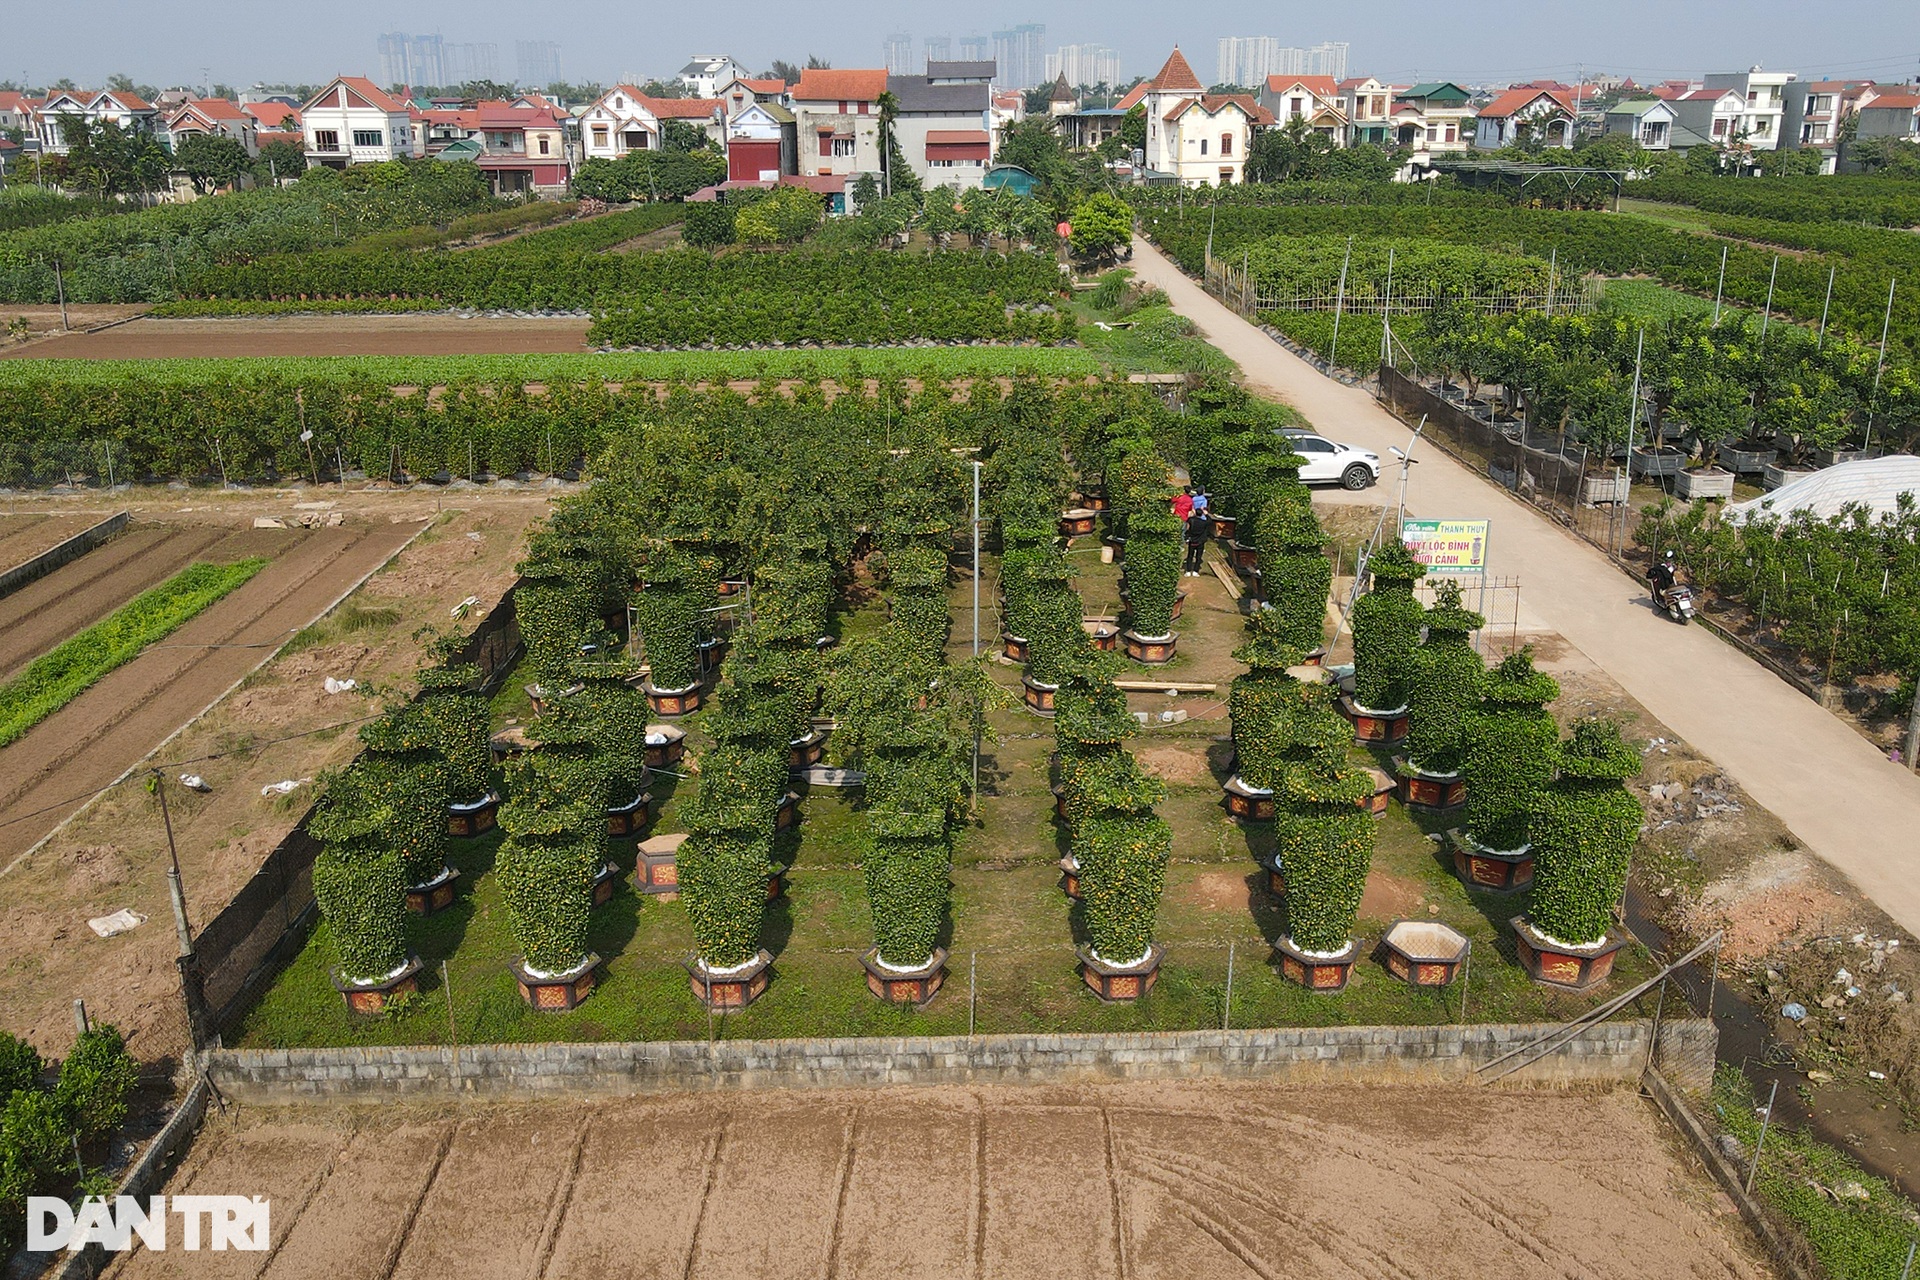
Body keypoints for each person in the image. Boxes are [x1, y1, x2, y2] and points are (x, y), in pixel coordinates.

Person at [1184, 508, 1212, 575]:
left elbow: (1187, 528)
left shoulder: (1191, 520)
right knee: (1198, 557)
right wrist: (1207, 514)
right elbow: (1210, 521)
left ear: (1195, 513)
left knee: (1190, 556)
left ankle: (1188, 571)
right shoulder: (1204, 523)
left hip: (1192, 541)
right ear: (1202, 514)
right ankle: (1195, 571)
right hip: (1200, 541)